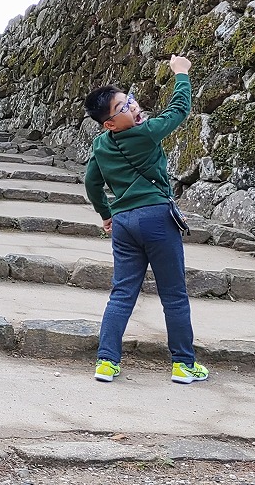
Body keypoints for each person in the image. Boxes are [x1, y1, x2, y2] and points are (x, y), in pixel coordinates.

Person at [82, 55, 209, 386]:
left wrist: (106, 214)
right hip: (156, 217)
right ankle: (183, 364)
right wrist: (181, 73)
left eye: (130, 101)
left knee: (122, 292)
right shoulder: (147, 134)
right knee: (173, 295)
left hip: (124, 223)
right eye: (124, 108)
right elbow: (179, 110)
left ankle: (107, 362)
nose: (133, 108)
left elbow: (92, 183)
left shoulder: (101, 146)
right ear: (110, 122)